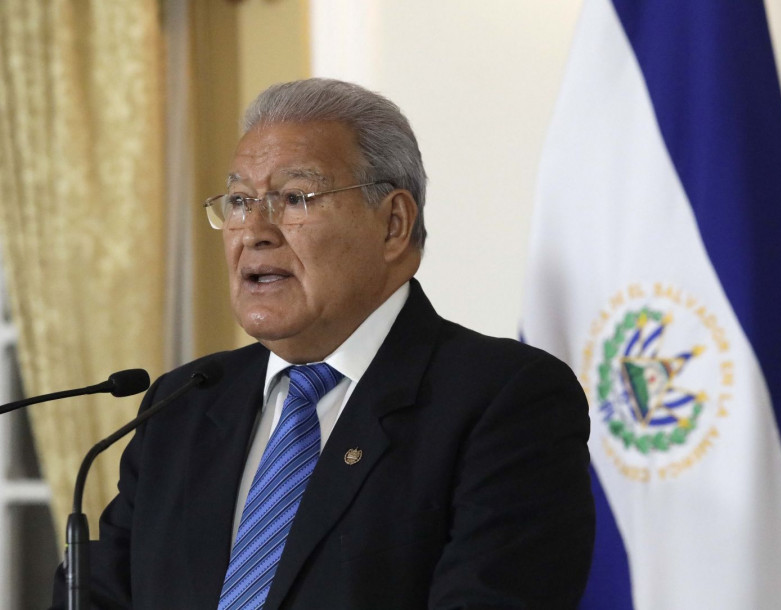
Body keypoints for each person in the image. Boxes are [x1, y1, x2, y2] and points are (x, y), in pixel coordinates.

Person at [52, 78, 594, 609]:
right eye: (239, 201)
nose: (254, 230)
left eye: (294, 197)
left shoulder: (505, 400)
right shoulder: (183, 405)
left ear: (393, 225)